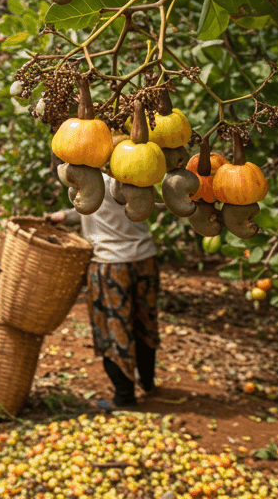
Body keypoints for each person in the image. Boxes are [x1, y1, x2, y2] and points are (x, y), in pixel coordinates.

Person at [48, 158, 159, 410]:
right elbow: (95, 208)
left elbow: (93, 201)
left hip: (110, 266)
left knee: (112, 328)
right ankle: (148, 383)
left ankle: (124, 397)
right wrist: (64, 216)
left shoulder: (86, 180)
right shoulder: (130, 173)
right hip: (145, 259)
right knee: (145, 322)